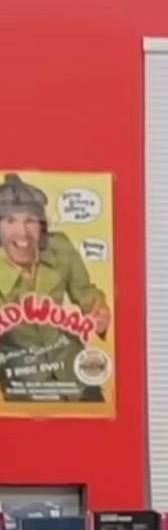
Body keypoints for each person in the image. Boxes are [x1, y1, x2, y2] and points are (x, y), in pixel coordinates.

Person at [0, 173, 111, 404]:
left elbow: (85, 291)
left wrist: (98, 308)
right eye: (10, 221)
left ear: (42, 226)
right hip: (26, 381)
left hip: (76, 370)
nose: (22, 232)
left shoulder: (60, 248)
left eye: (30, 220)